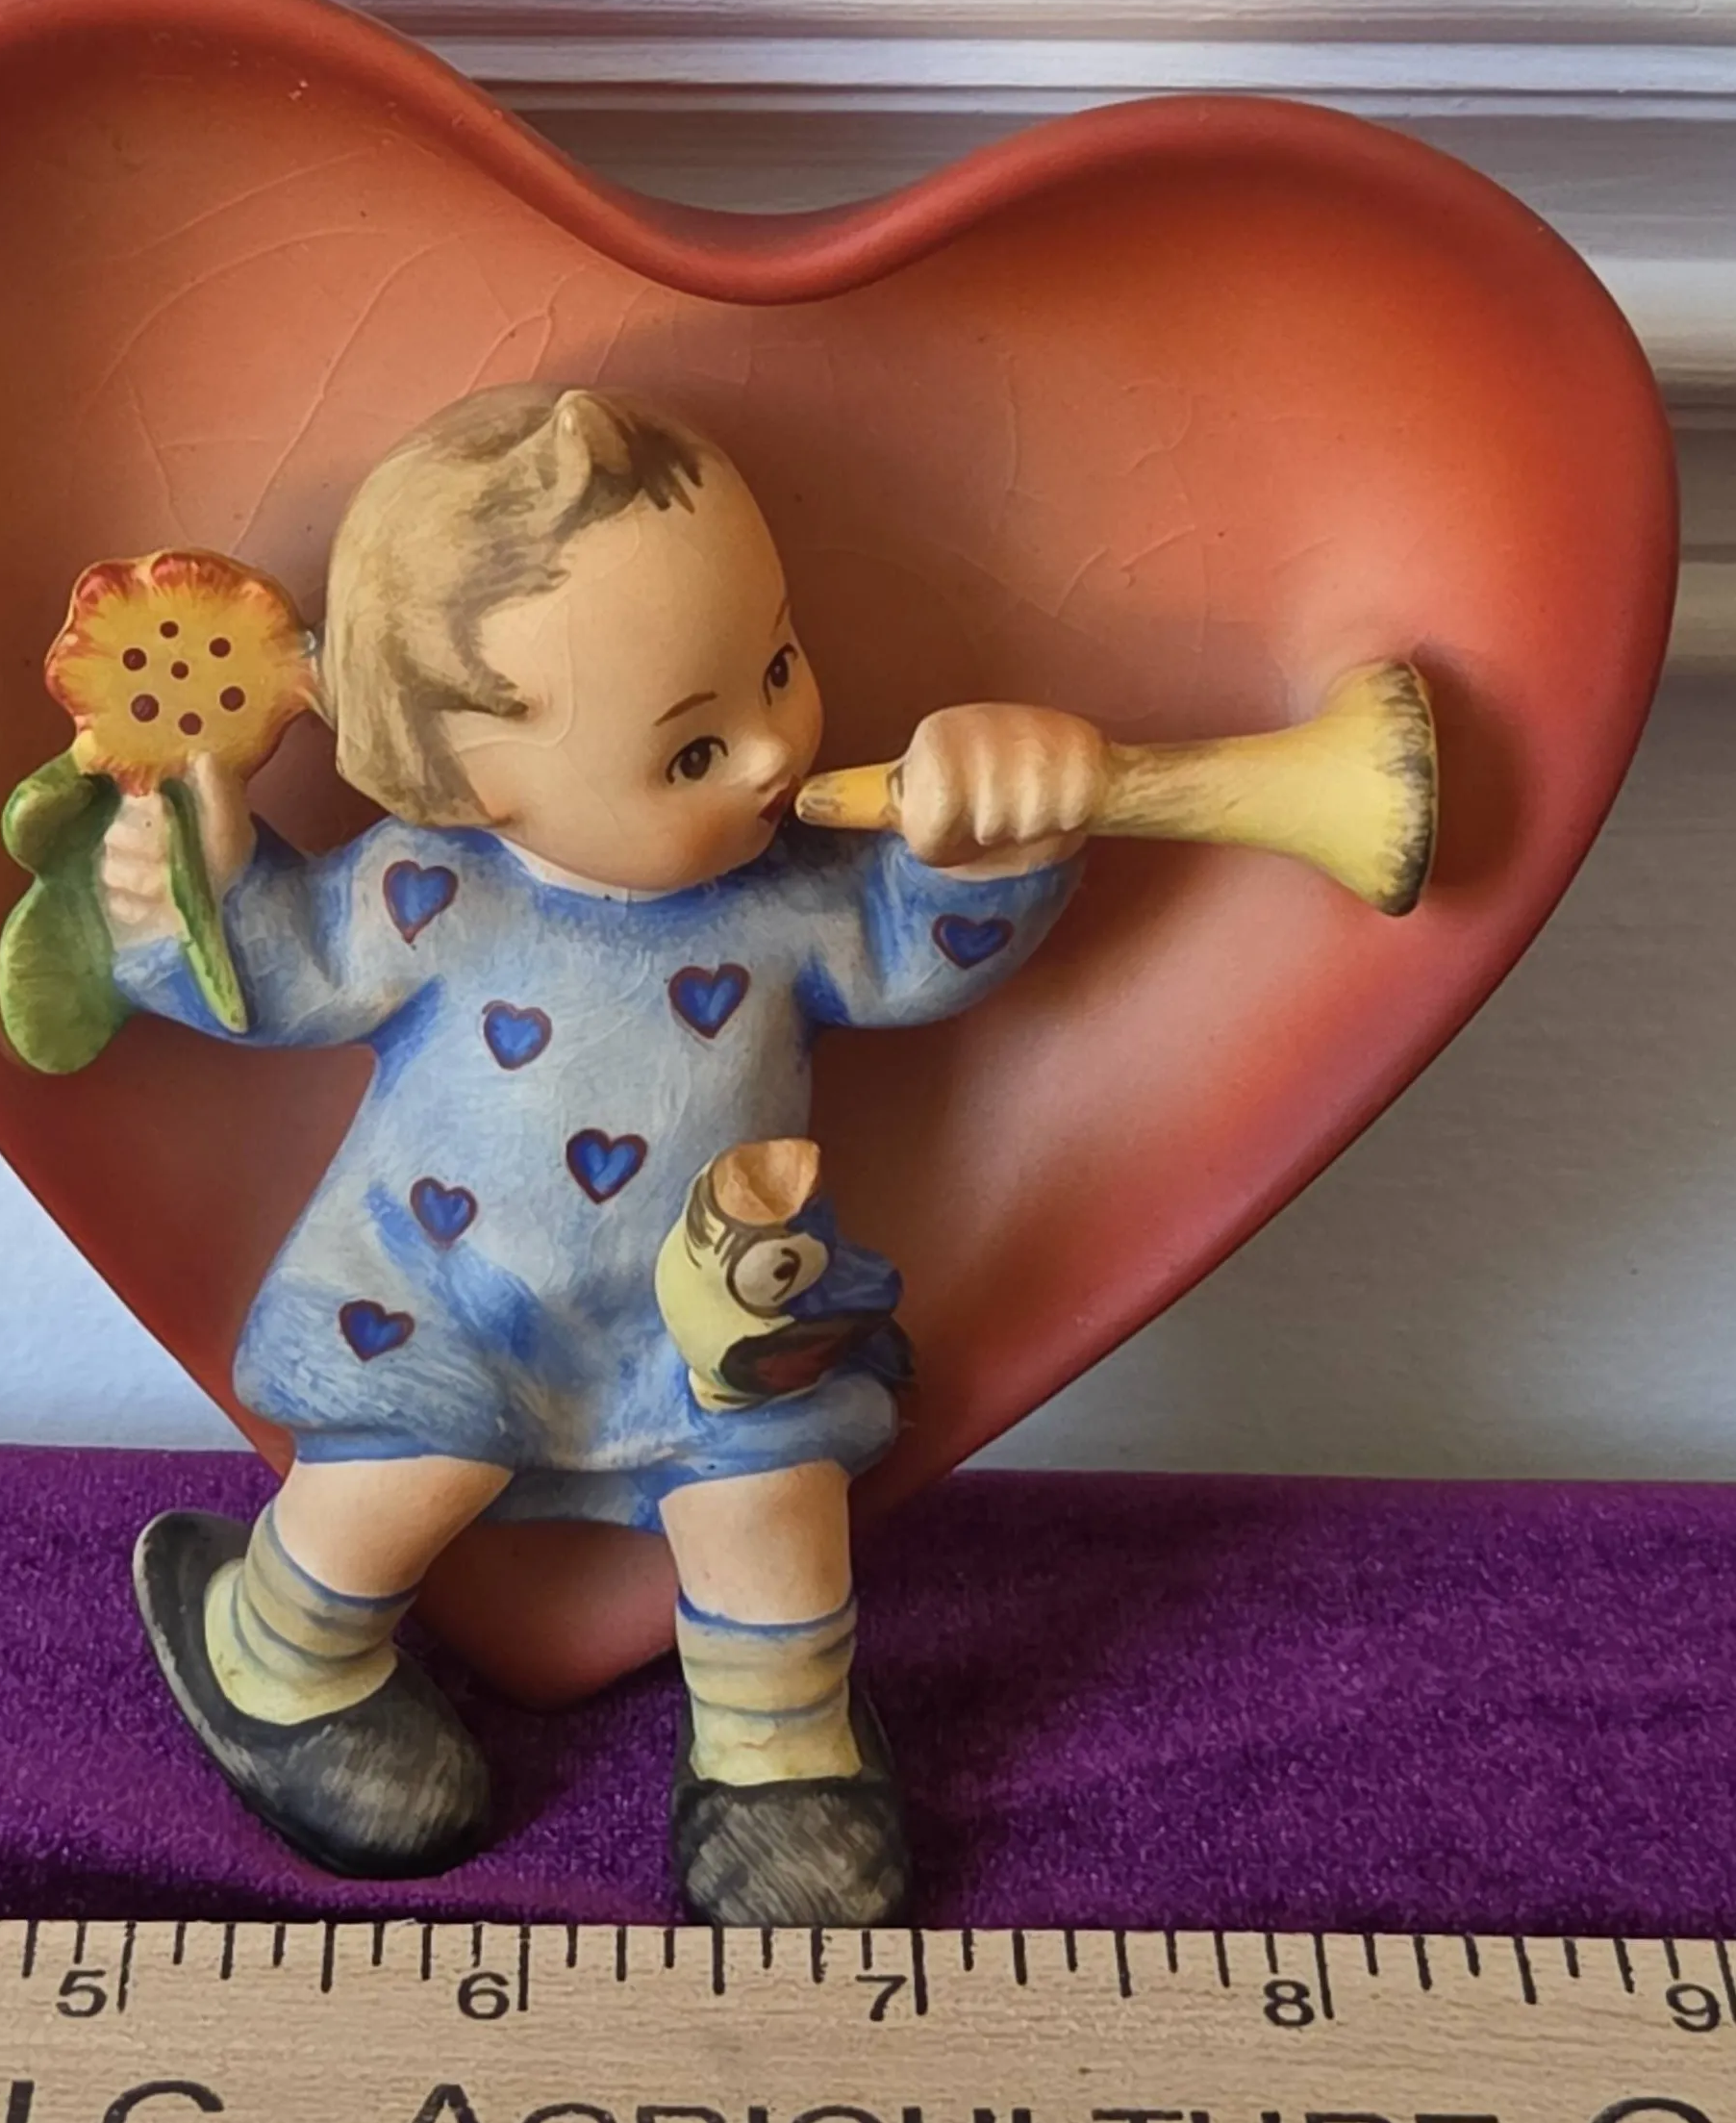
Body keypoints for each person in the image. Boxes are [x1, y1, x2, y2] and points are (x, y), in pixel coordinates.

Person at [99, 382, 1101, 1924]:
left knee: (772, 1506)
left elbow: (916, 954)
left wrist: (998, 835)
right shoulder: (430, 888)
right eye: (690, 751)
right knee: (396, 1476)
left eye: (778, 667)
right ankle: (276, 1653)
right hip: (446, 1297)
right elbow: (284, 971)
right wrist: (189, 892)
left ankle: (780, 1757)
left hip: (708, 1318)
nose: (770, 756)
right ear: (473, 788)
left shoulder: (791, 897)